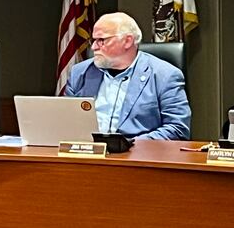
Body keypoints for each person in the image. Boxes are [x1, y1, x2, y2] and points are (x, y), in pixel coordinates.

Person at [66, 12, 191, 140]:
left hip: (139, 150)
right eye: (93, 40)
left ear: (127, 41)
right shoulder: (79, 73)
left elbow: (177, 129)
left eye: (101, 40)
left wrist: (129, 144)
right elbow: (66, 122)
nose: (93, 47)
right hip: (87, 149)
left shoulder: (164, 75)